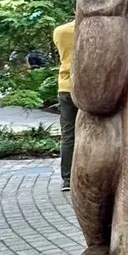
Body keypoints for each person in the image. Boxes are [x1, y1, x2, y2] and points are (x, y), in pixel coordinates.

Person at [52, 21, 76, 192]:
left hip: (65, 86)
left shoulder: (60, 31)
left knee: (68, 134)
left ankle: (67, 178)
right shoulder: (91, 30)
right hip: (87, 88)